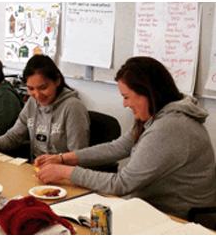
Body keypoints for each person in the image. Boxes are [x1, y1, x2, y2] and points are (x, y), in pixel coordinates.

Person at [35, 56, 216, 219]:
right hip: (152, 207)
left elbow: (122, 183)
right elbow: (118, 147)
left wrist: (65, 172)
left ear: (148, 93)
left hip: (177, 218)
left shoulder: (170, 127)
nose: (124, 104)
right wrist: (63, 158)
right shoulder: (158, 116)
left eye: (127, 97)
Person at [0, 54, 90, 160]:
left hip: (63, 174)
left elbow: (78, 156)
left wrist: (58, 165)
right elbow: (13, 137)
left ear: (57, 81)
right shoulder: (32, 102)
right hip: (36, 170)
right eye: (31, 89)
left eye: (43, 87)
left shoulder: (73, 107)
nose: (37, 95)